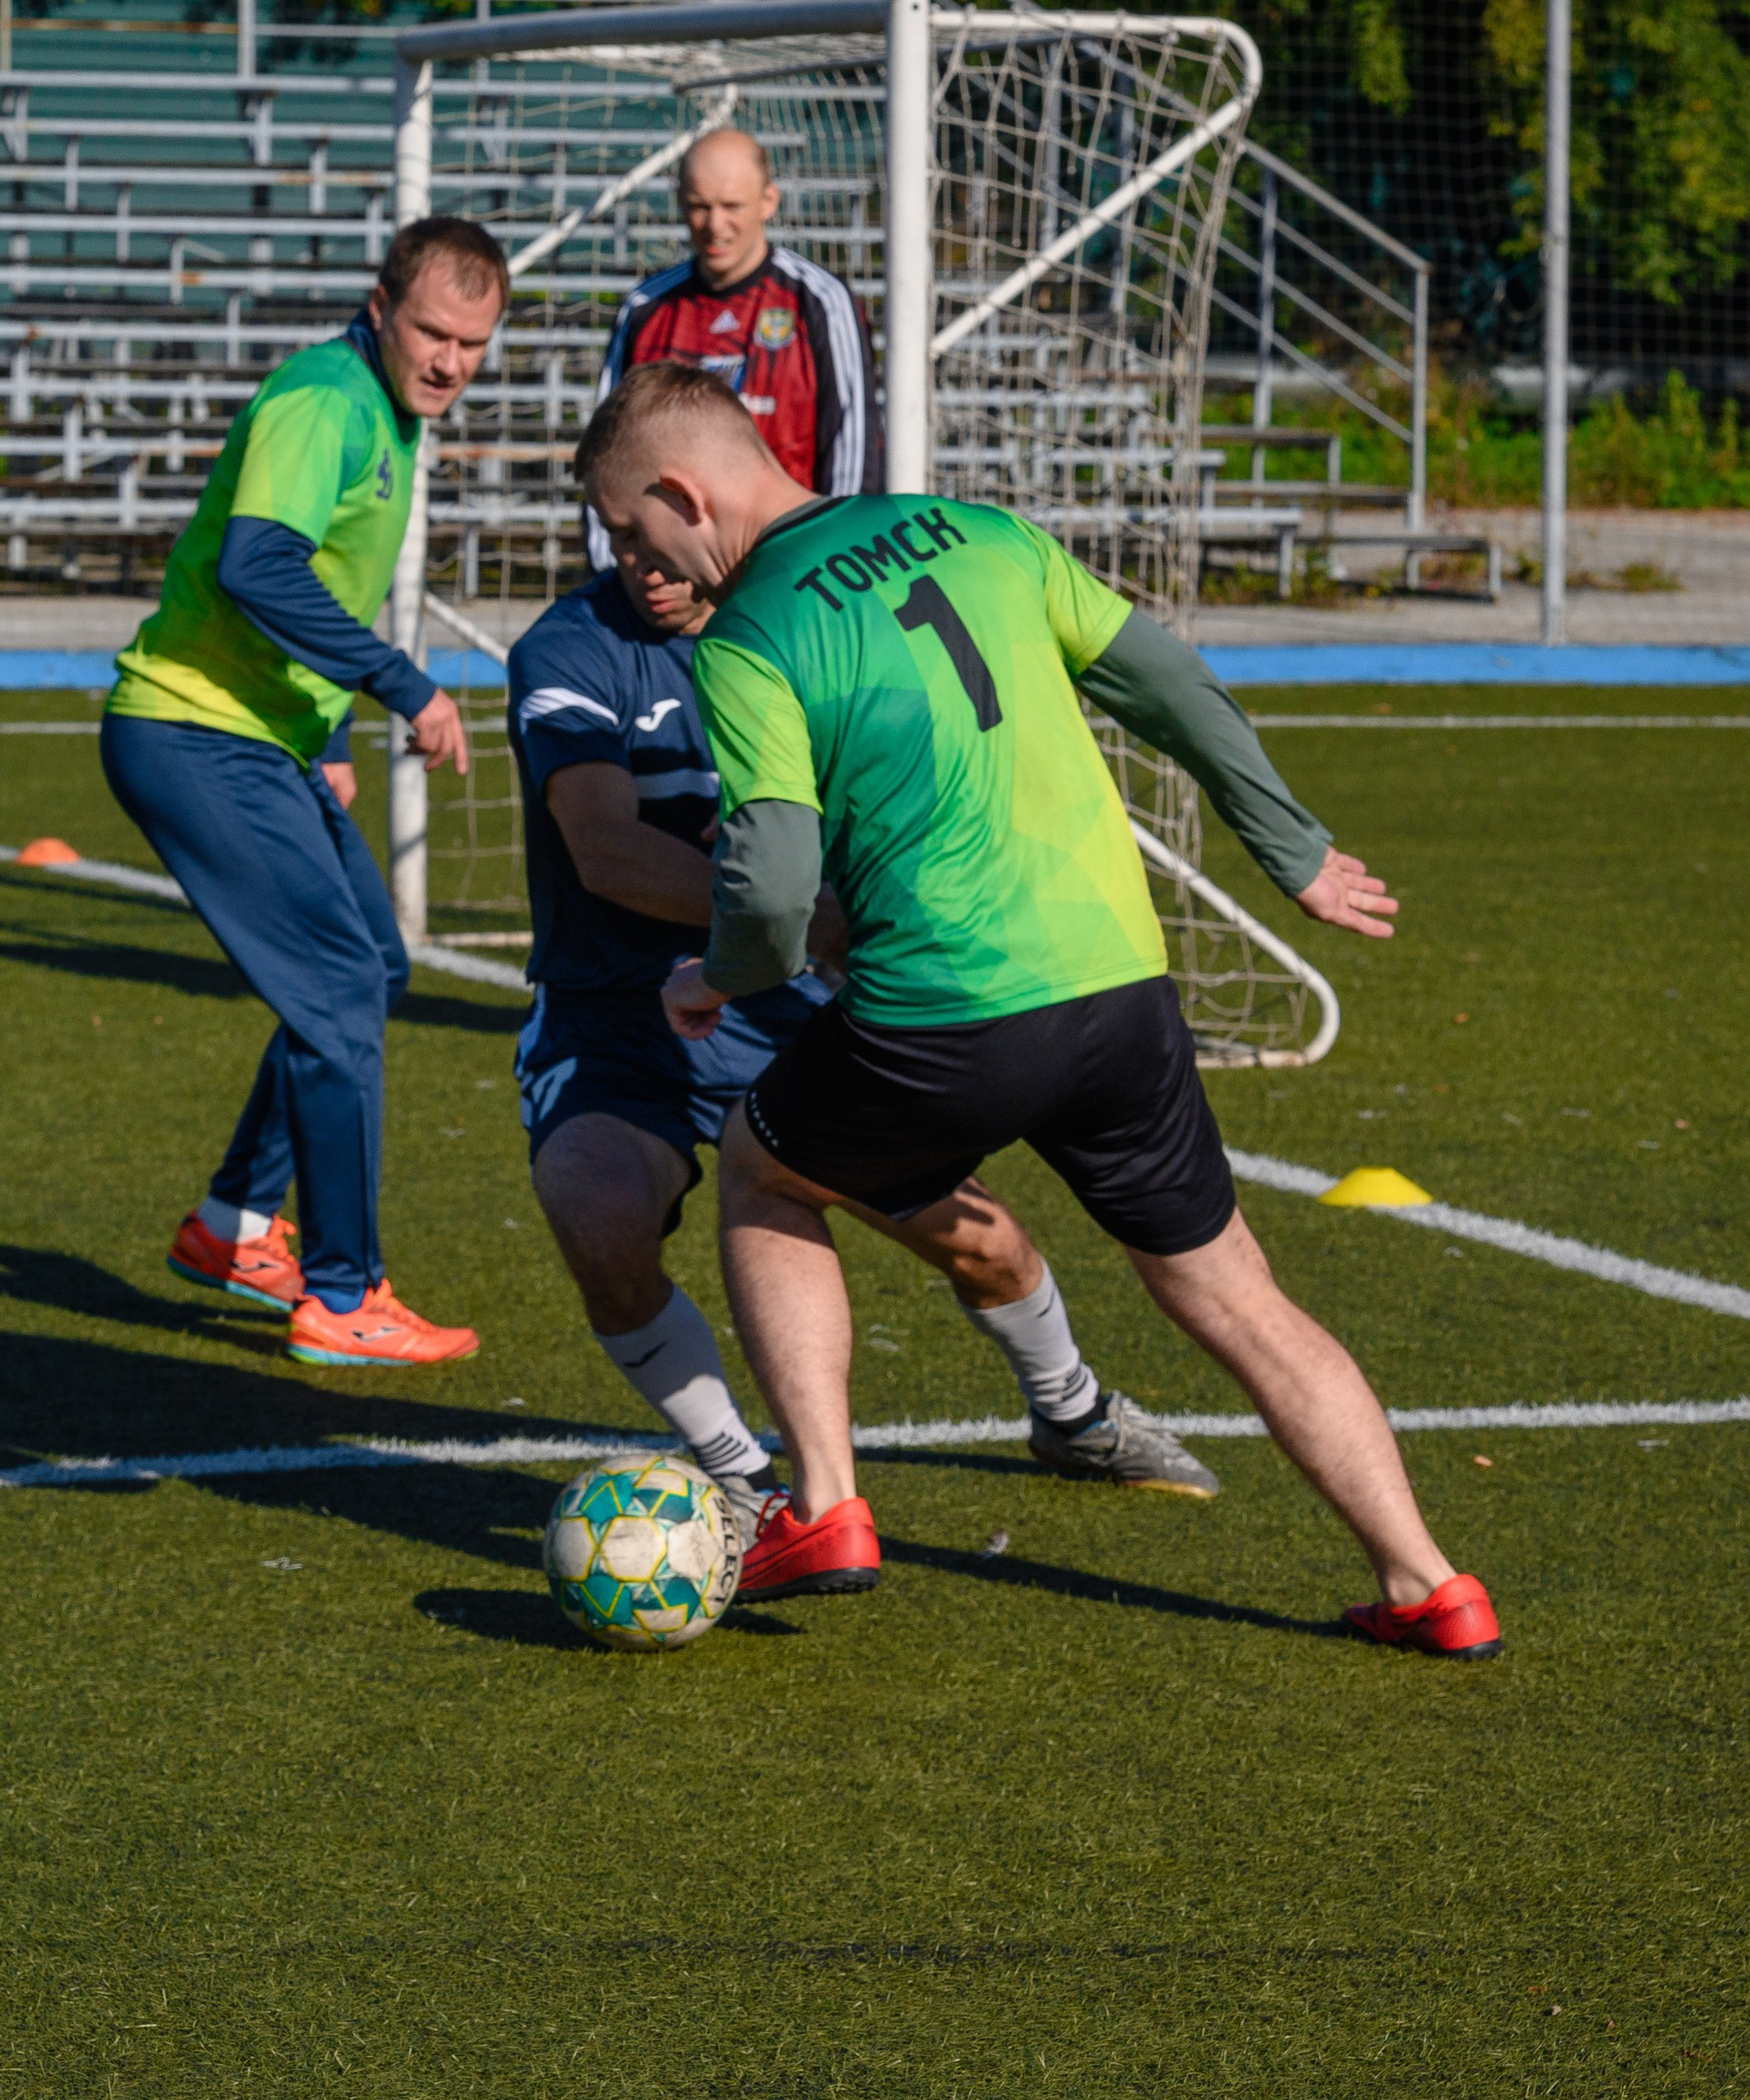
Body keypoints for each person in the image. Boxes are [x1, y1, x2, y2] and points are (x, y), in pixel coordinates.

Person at [578, 361, 1502, 1659]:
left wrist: (714, 978)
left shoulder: (749, 638)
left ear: (684, 490)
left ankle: (829, 1507)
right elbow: (1168, 680)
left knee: (765, 1171)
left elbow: (775, 883)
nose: (638, 560)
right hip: (1123, 995)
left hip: (944, 1012)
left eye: (632, 529)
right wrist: (1289, 848)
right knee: (1239, 1294)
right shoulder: (983, 531)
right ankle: (1430, 1583)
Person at [507, 522, 1222, 1543]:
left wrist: (815, 894)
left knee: (984, 1246)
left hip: (779, 1001)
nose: (645, 565)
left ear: (708, 514)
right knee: (594, 1206)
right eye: (621, 539)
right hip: (614, 1008)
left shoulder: (809, 629)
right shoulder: (571, 646)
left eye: (658, 541)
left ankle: (1071, 1409)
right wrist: (783, 907)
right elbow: (605, 849)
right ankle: (741, 1473)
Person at [99, 217, 506, 1370]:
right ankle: (343, 1292)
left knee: (369, 967)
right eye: (431, 331)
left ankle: (232, 1227)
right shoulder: (327, 399)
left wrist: (321, 726)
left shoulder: (385, 409)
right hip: (191, 731)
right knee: (336, 994)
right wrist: (397, 685)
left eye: (473, 343)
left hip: (261, 735)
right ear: (380, 307)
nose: (449, 361)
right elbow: (258, 560)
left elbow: (316, 577)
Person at [583, 127, 880, 571]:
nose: (715, 225)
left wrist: (833, 563)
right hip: (668, 574)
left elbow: (852, 450)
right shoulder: (645, 308)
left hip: (789, 569)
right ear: (680, 202)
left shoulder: (819, 302)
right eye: (699, 207)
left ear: (769, 202)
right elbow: (606, 450)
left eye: (732, 206)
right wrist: (611, 570)